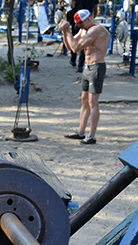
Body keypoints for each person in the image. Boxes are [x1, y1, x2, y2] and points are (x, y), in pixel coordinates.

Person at [60, 9, 110, 145]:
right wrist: (65, 31)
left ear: (88, 19)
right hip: (88, 68)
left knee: (93, 102)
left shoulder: (96, 30)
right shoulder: (85, 30)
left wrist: (68, 31)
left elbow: (76, 48)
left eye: (82, 24)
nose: (81, 27)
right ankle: (80, 132)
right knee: (84, 100)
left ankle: (92, 135)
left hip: (97, 67)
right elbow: (70, 46)